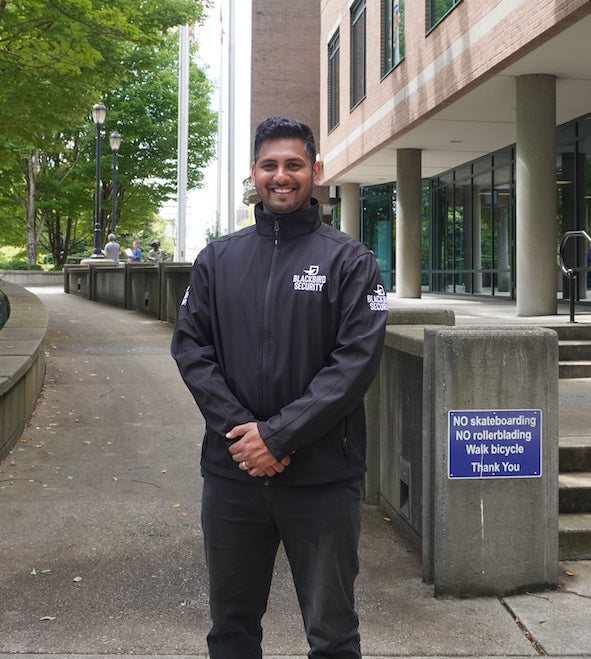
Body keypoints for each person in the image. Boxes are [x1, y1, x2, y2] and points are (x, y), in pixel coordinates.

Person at [171, 116, 387, 659]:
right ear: (254, 173)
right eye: (269, 165)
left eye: (294, 164)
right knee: (231, 629)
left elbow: (354, 364)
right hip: (233, 476)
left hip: (322, 481)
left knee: (333, 633)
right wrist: (244, 435)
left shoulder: (351, 261)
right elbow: (191, 349)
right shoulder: (217, 260)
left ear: (315, 170)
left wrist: (279, 437)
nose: (281, 176)